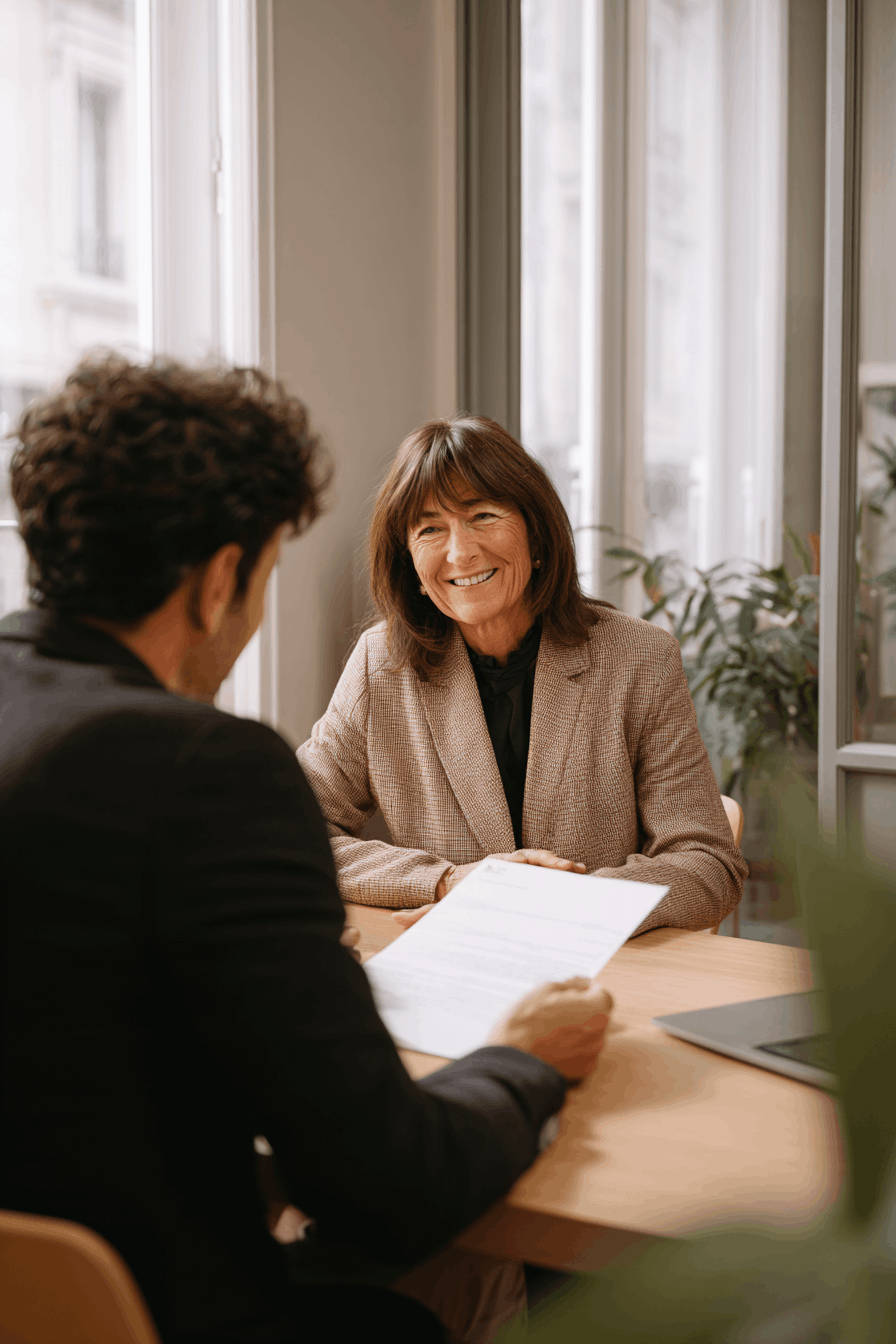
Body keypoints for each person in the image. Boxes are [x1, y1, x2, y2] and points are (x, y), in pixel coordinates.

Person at [0, 357, 613, 1344]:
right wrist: (520, 1058)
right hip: (164, 1309)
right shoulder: (208, 770)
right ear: (219, 580)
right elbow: (387, 1183)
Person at [299, 416, 747, 929]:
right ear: (411, 567)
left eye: (483, 515)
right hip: (451, 965)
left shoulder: (638, 658)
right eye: (430, 529)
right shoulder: (382, 665)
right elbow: (287, 831)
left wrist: (566, 901)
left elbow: (709, 865)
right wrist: (447, 881)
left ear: (536, 536)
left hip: (601, 969)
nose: (460, 551)